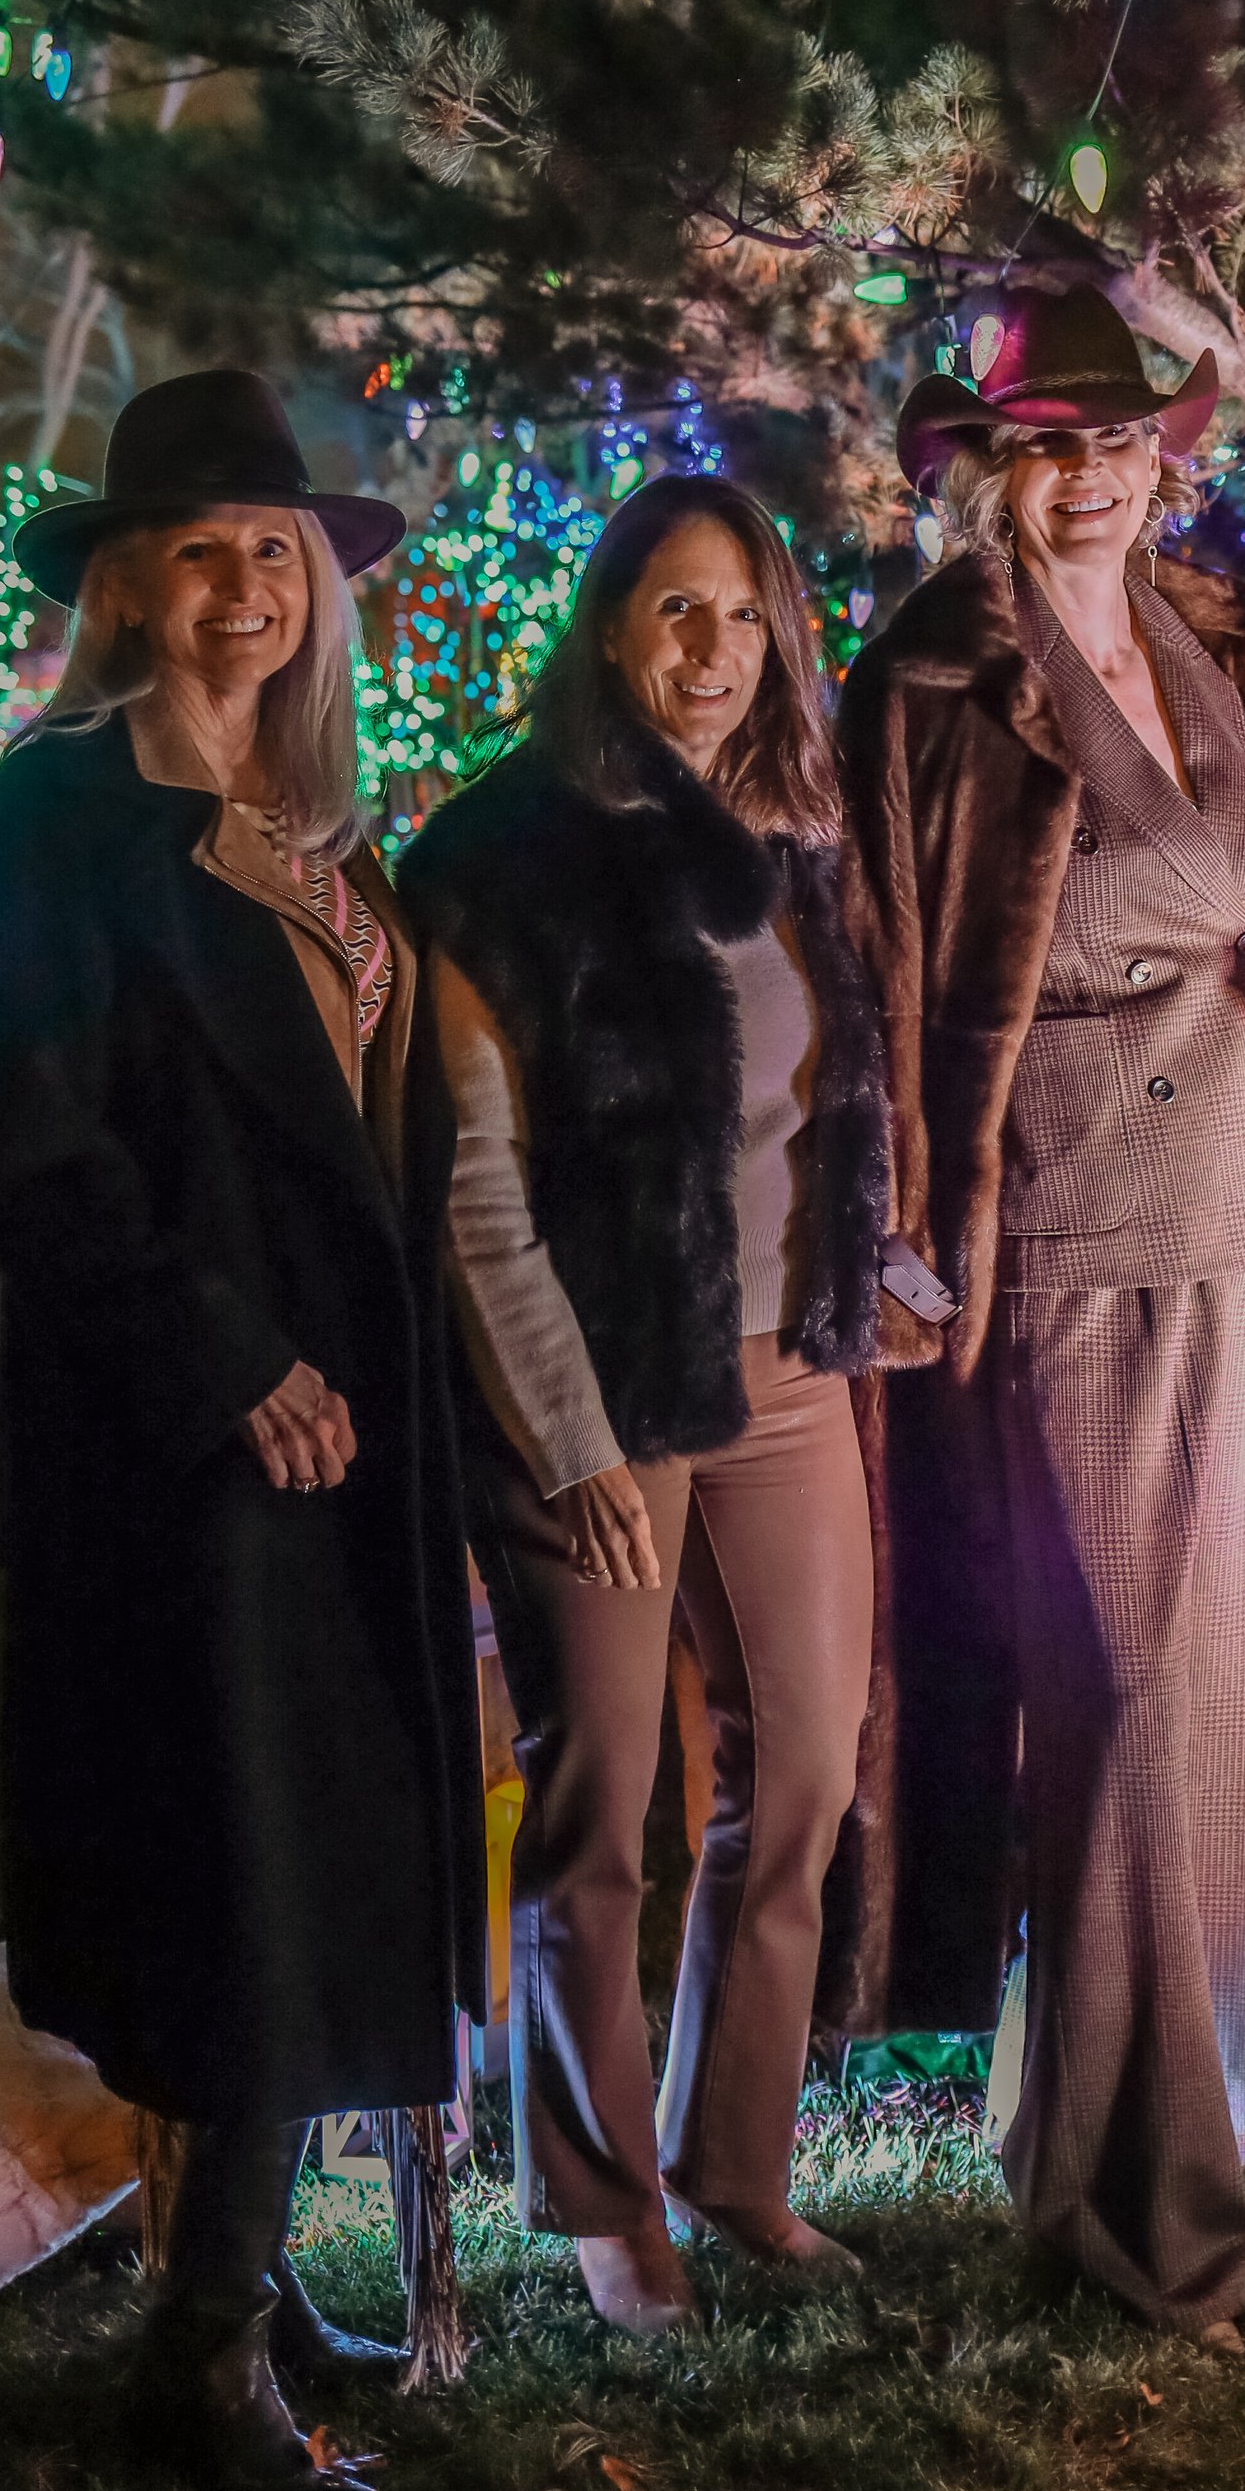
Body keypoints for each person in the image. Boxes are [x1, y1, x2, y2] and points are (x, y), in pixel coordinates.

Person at [839, 286, 1245, 2345]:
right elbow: (879, 983)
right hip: (1067, 1216)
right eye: (1046, 448)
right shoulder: (931, 676)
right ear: (982, 469)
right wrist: (895, 1226)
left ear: (1164, 452)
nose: (1091, 477)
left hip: (1243, 1207)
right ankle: (1132, 2199)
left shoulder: (1242, 643)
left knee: (1218, 1695)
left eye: (1118, 442)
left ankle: (1184, 2111)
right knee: (1110, 1697)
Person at [0, 370, 484, 2491]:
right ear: (123, 583)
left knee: (326, 1840)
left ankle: (244, 2287)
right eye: (199, 549)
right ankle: (196, 2354)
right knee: (244, 1866)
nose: (246, 583)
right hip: (193, 1435)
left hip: (356, 1415)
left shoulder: (311, 821)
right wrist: (217, 1357)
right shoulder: (62, 816)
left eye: (275, 548)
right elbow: (34, 1146)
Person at [400, 476, 892, 2336]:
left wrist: (876, 1266)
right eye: (674, 611)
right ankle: (605, 2203)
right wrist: (572, 1438)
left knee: (814, 1763)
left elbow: (818, 1112)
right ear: (609, 628)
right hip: (593, 1382)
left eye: (743, 614)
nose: (709, 650)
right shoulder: (501, 853)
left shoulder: (792, 842)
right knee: (607, 1796)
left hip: (783, 1369)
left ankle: (735, 2159)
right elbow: (475, 1184)